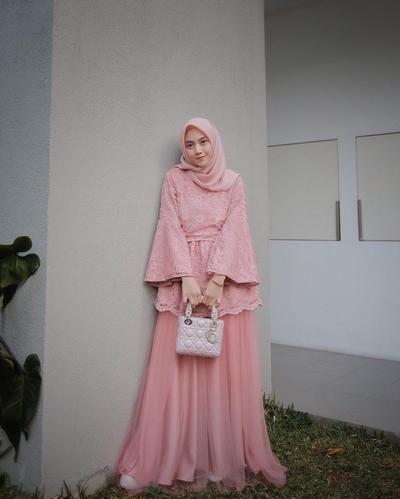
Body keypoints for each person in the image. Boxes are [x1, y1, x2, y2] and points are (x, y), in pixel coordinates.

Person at [114, 117, 288, 494]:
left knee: (222, 369)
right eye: (190, 144)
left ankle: (218, 459)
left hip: (223, 280)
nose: (197, 151)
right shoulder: (174, 180)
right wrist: (187, 278)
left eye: (203, 142)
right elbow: (169, 225)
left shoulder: (234, 182)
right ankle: (172, 458)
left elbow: (236, 228)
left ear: (214, 142)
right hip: (186, 279)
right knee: (178, 368)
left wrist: (218, 279)